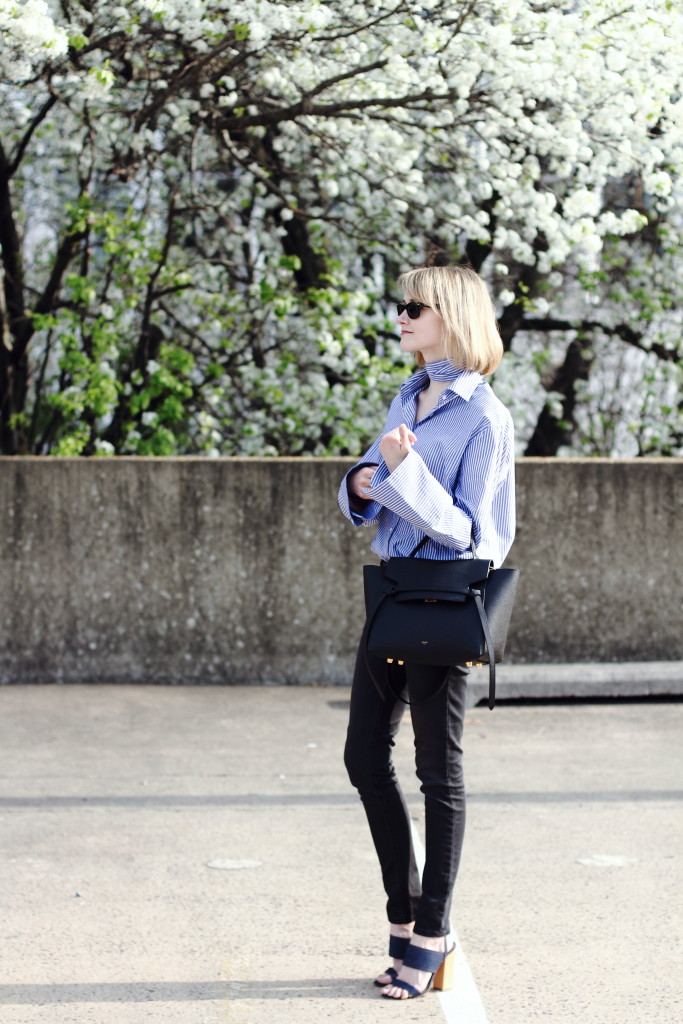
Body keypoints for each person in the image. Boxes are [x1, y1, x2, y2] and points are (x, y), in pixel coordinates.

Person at [338, 264, 515, 1000]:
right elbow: (377, 490)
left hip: (443, 603)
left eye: (416, 305)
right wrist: (359, 483)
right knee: (361, 758)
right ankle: (404, 912)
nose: (402, 315)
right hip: (390, 595)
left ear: (453, 316)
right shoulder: (409, 393)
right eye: (401, 304)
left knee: (437, 772)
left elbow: (475, 534)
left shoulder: (484, 417)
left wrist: (405, 474)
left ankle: (432, 931)